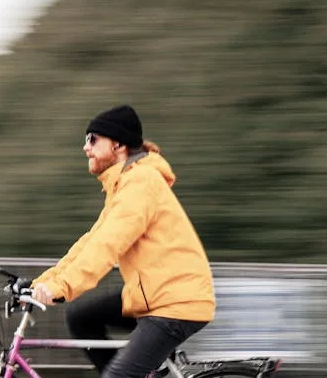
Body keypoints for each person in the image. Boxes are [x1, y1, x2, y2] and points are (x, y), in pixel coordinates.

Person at [30, 104, 216, 378]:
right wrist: (43, 282)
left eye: (92, 139)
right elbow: (91, 242)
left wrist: (61, 287)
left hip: (175, 303)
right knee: (81, 317)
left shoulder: (141, 182)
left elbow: (107, 245)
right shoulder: (125, 185)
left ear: (117, 144)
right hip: (154, 294)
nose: (85, 147)